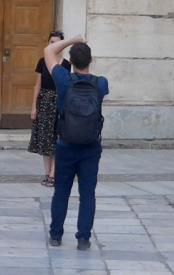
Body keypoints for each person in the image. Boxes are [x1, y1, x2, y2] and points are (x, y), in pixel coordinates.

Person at [44, 33, 108, 250]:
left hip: (66, 145)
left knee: (61, 191)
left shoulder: (63, 80)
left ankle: (56, 235)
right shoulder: (101, 83)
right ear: (91, 61)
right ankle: (83, 239)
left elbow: (48, 51)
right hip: (91, 146)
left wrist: (72, 40)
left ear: (70, 62)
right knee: (87, 194)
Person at [28, 30, 70, 186]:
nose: (54, 45)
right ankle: (47, 173)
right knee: (45, 140)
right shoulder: (42, 62)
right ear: (47, 44)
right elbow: (38, 85)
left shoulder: (66, 64)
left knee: (57, 139)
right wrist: (34, 107)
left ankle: (54, 174)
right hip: (44, 103)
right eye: (52, 42)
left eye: (57, 43)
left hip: (58, 103)